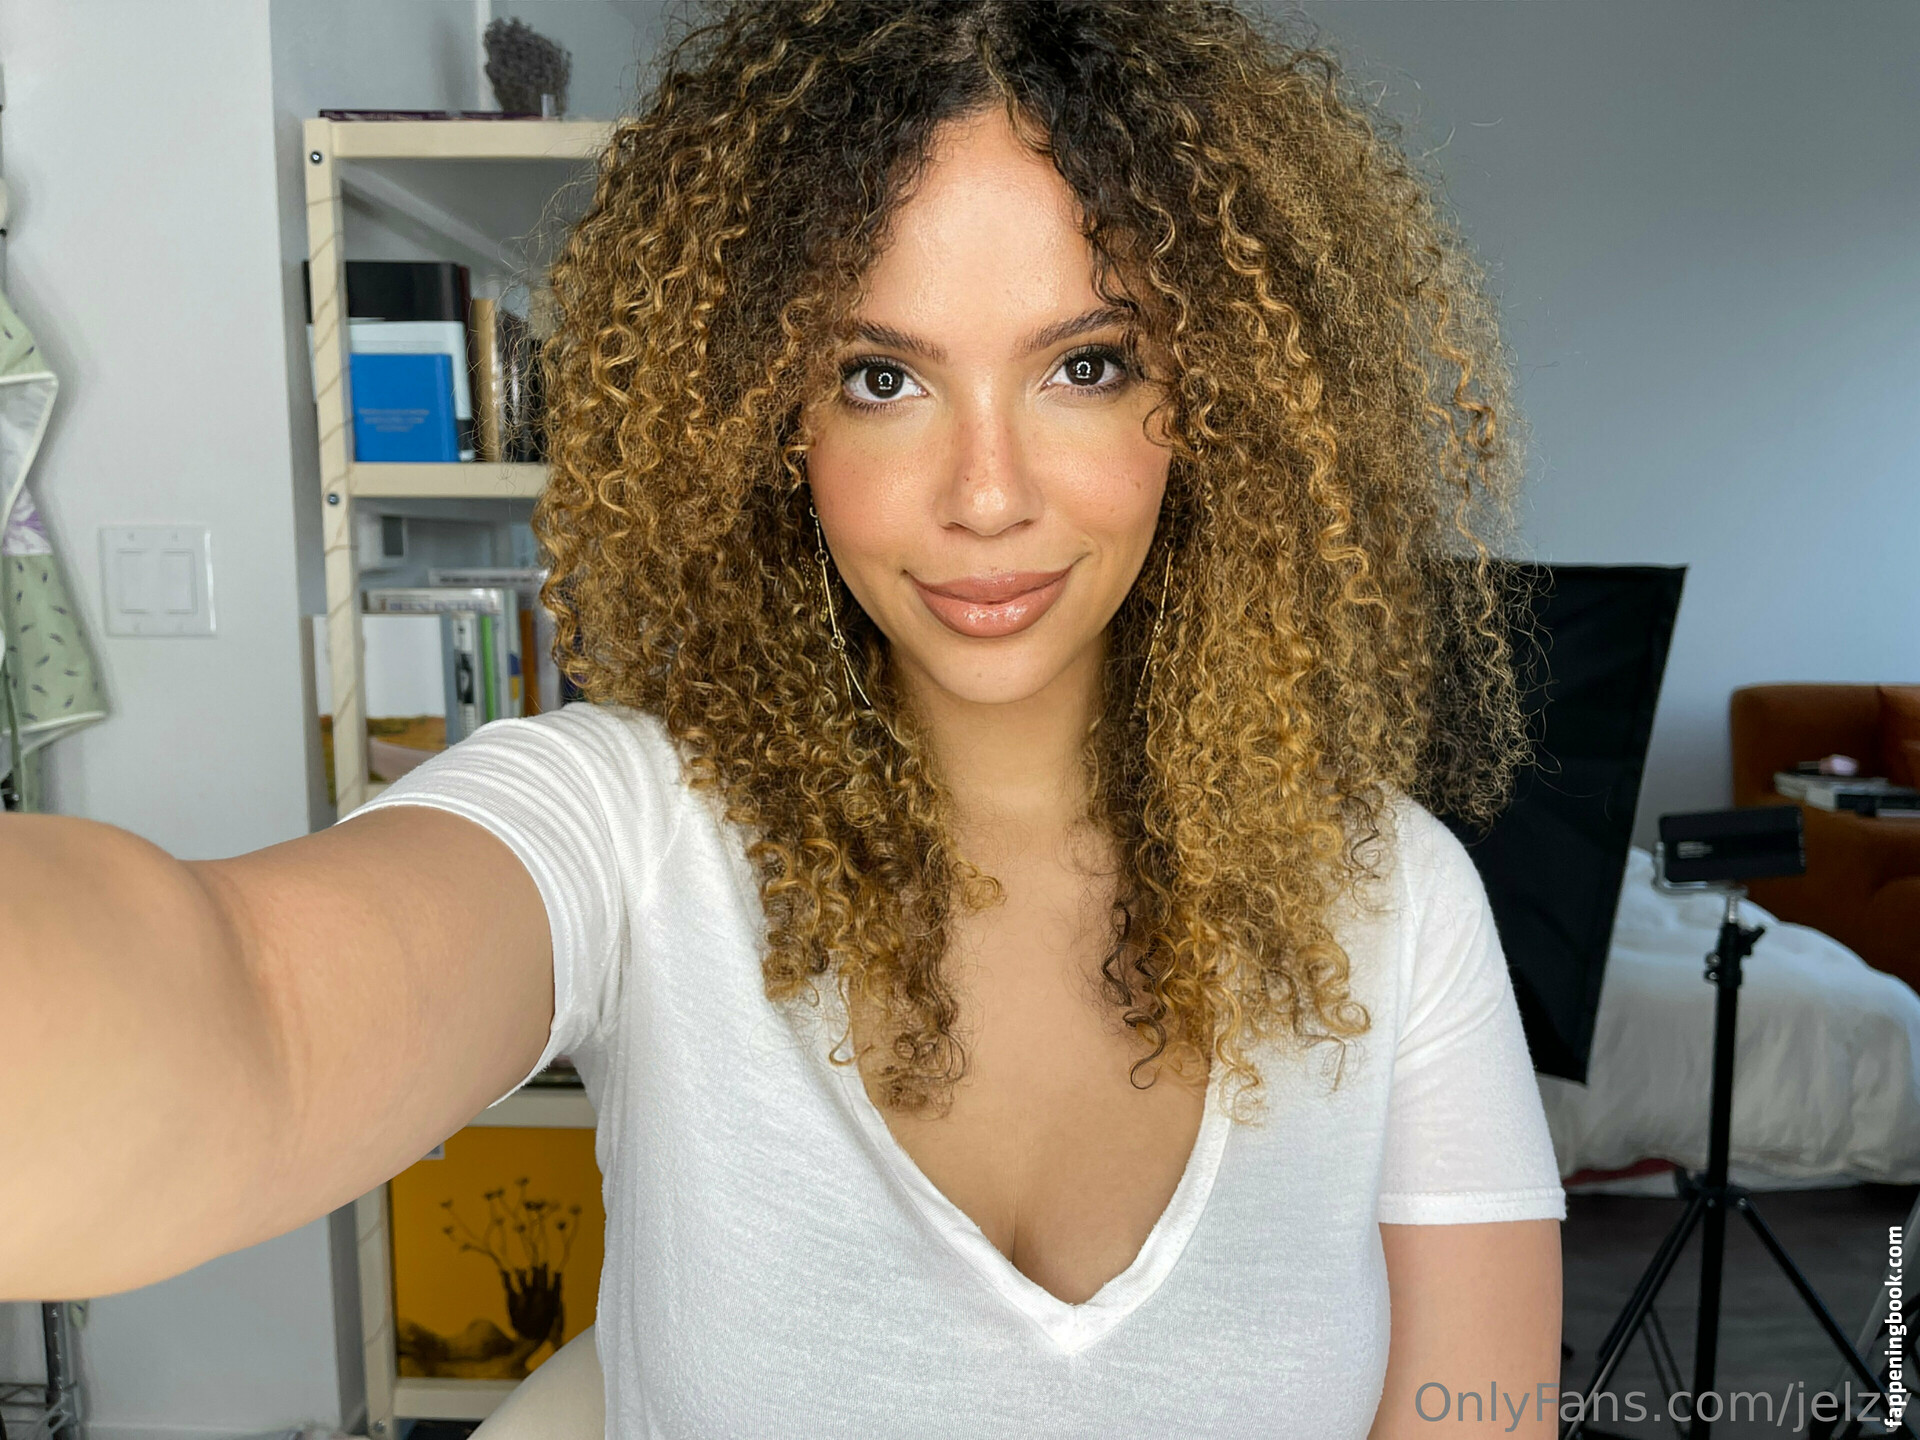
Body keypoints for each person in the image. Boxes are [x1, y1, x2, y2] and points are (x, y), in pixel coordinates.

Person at [2, 1, 1566, 1434]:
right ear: (769, 420)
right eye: (882, 378)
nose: (986, 496)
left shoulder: (1397, 902)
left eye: (1085, 365)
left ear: (1221, 406)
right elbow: (252, 1015)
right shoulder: (630, 832)